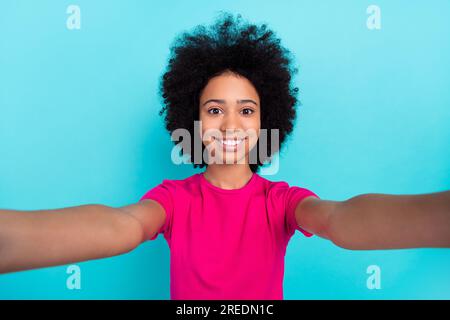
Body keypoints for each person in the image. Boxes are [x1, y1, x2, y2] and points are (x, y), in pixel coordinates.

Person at [0, 12, 449, 300]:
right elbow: (125, 225)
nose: (231, 126)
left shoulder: (281, 201)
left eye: (246, 110)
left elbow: (339, 219)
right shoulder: (174, 199)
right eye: (215, 110)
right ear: (191, 120)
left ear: (265, 121)